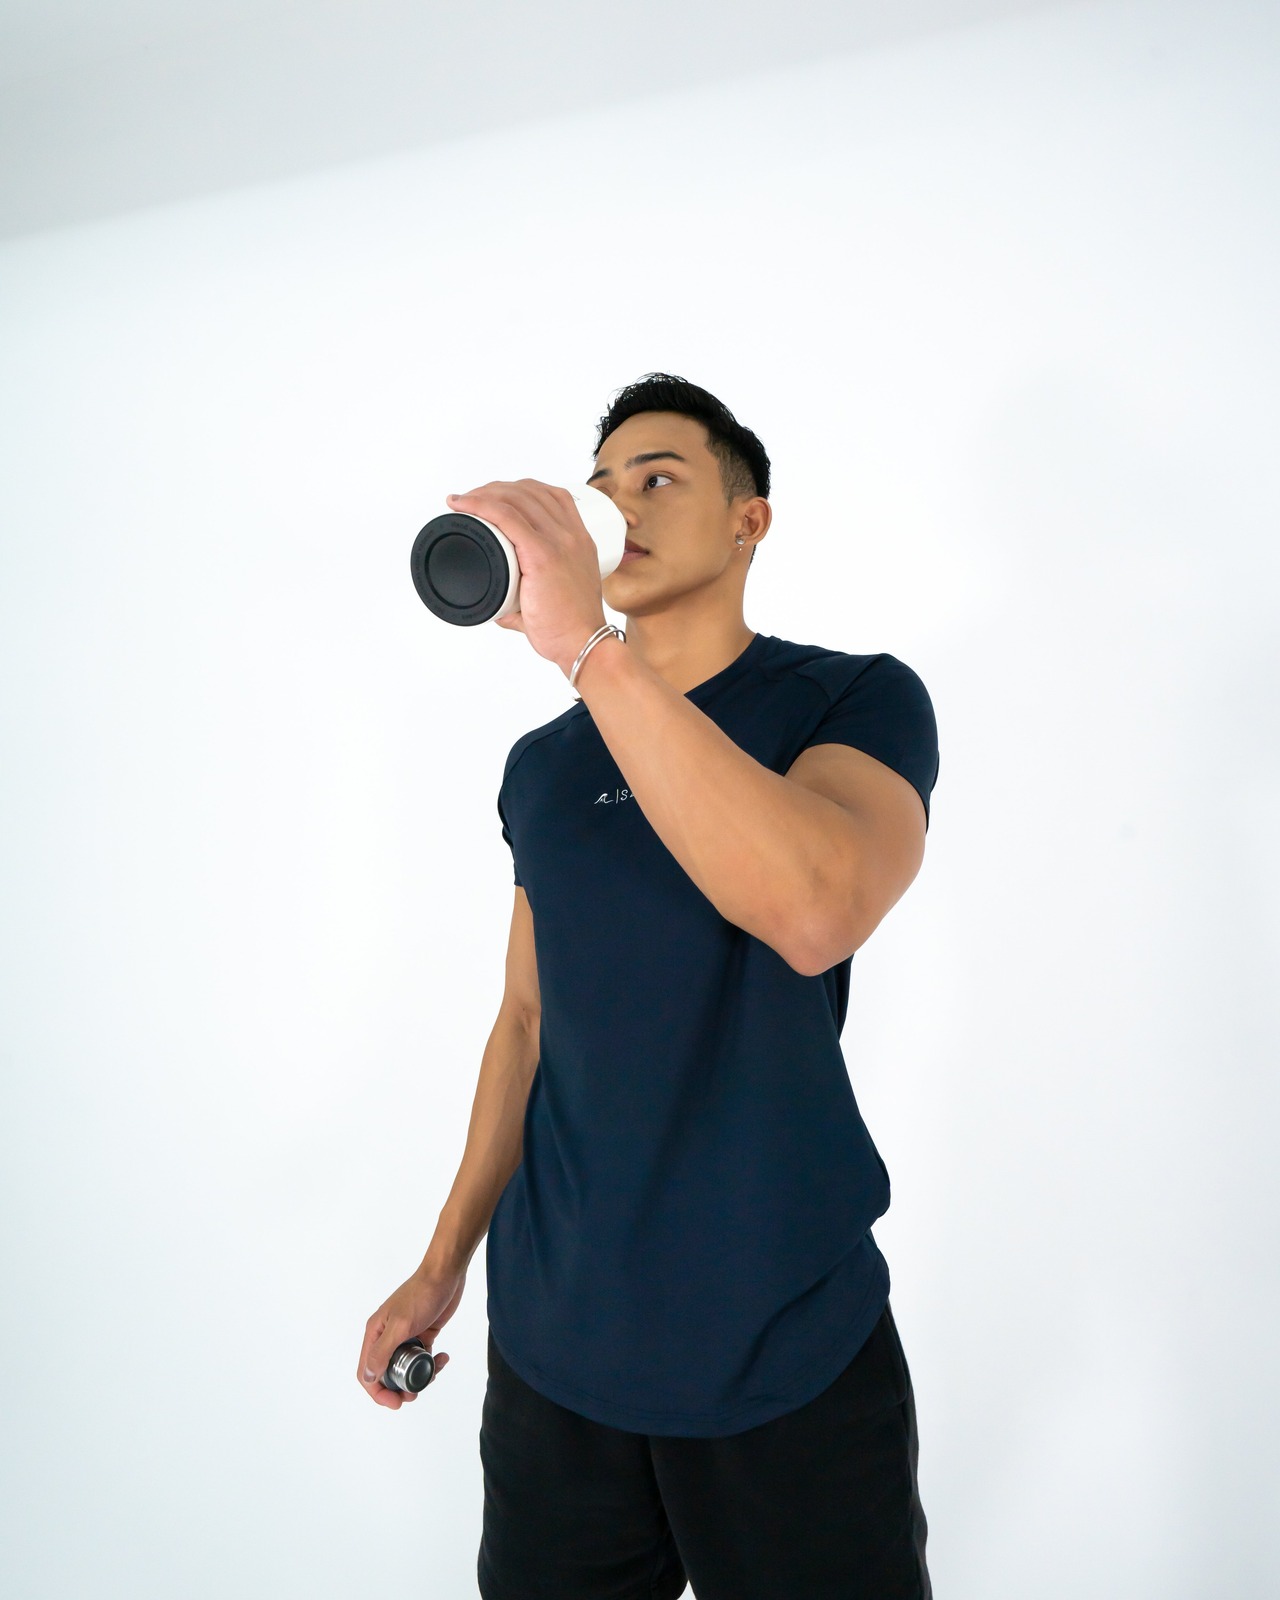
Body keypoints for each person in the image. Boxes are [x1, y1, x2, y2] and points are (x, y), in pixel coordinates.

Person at [357, 373, 939, 1599]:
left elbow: (814, 912)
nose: (619, 503)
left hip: (781, 1346)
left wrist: (590, 651)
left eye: (659, 476)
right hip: (555, 1352)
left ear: (748, 520)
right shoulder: (544, 763)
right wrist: (441, 1261)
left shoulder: (848, 699)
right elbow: (527, 1019)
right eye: (604, 483)